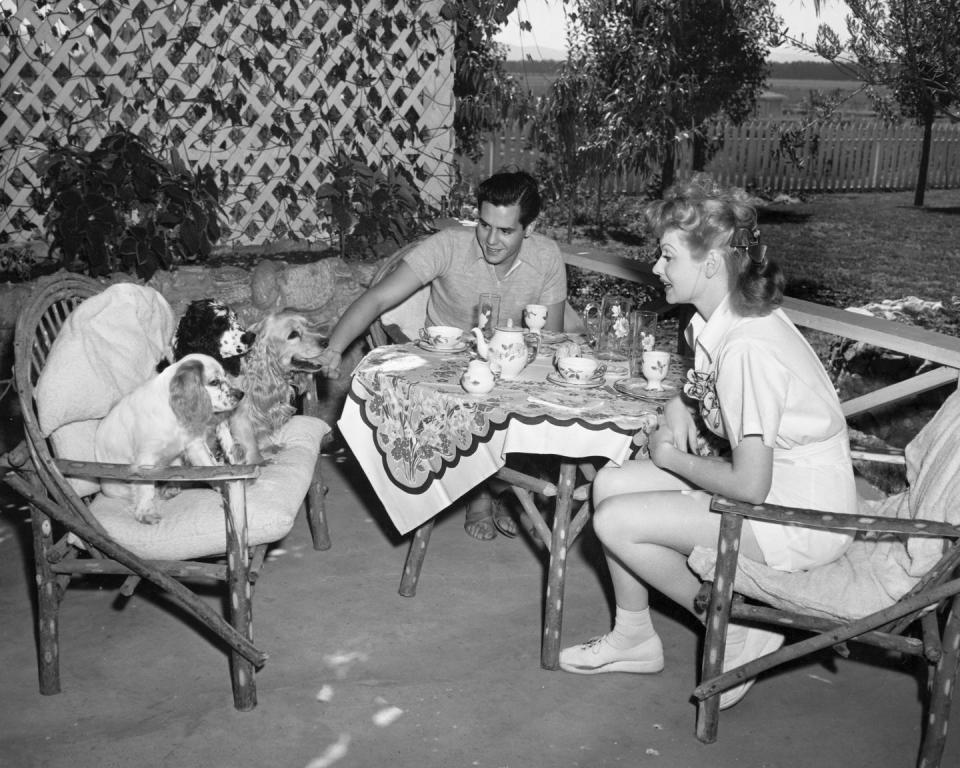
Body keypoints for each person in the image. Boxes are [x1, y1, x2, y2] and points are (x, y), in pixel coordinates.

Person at [558, 178, 857, 709]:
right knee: (609, 482)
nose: (656, 268)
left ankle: (732, 620)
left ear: (712, 264)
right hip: (769, 487)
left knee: (614, 521)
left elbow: (751, 485)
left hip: (801, 515)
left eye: (668, 257)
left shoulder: (747, 348)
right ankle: (634, 637)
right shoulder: (711, 323)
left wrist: (669, 456)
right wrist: (677, 412)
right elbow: (693, 393)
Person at [317, 170, 567, 541]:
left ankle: (519, 485)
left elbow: (549, 337)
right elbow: (380, 297)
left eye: (506, 230)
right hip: (449, 367)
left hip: (513, 363)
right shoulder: (449, 245)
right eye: (484, 225)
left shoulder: (546, 255)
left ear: (529, 228)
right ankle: (485, 492)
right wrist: (335, 348)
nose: (491, 240)